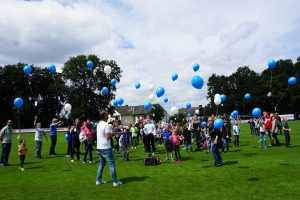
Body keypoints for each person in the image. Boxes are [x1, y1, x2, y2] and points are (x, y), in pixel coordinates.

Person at [96, 110, 122, 187]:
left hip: (99, 147)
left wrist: (112, 130)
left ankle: (98, 180)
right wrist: (114, 133)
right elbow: (107, 136)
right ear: (104, 116)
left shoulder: (98, 124)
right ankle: (115, 181)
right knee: (111, 164)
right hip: (106, 147)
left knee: (102, 164)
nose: (108, 116)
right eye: (107, 115)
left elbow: (104, 134)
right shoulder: (106, 125)